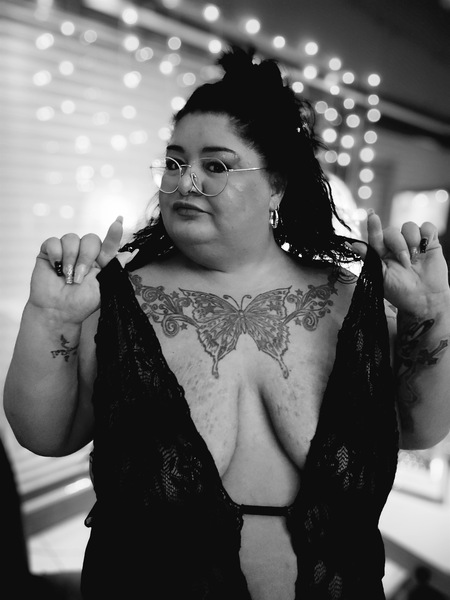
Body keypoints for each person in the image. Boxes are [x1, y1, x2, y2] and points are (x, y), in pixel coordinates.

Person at [3, 46, 450, 600]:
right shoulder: (115, 300)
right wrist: (49, 316)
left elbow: (421, 428)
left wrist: (430, 314)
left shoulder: (346, 302)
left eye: (215, 166)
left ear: (277, 185)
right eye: (174, 163)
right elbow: (44, 435)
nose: (185, 182)